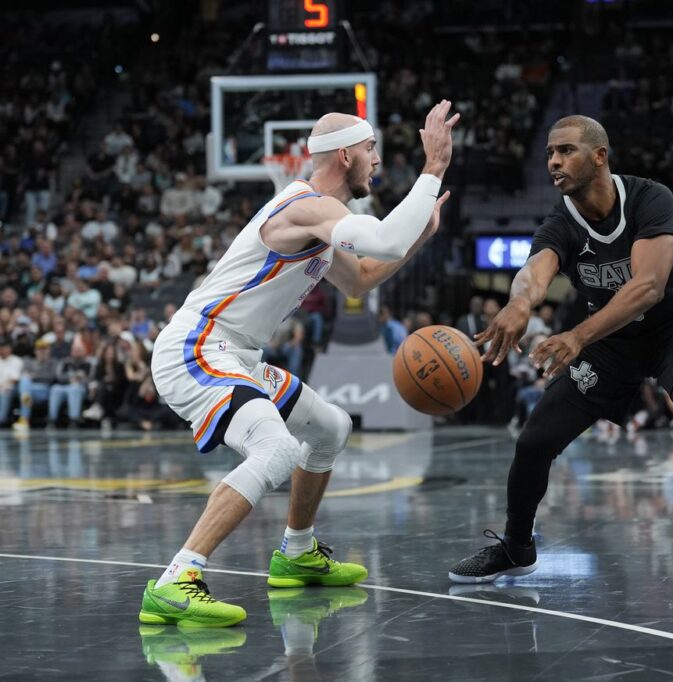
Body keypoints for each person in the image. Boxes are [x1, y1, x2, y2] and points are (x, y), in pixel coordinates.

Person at [449, 116, 673, 603]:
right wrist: (519, 304)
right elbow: (535, 273)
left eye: (566, 151)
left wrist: (577, 335)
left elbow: (647, 287)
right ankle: (517, 548)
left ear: (599, 155)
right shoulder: (561, 220)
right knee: (534, 440)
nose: (554, 161)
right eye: (549, 153)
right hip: (612, 343)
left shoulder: (648, 198)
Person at [142, 101, 459, 627]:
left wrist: (421, 234)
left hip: (235, 353)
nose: (377, 160)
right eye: (370, 149)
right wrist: (433, 168)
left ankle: (296, 552)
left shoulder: (322, 221)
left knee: (331, 427)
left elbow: (359, 278)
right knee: (277, 449)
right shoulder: (304, 207)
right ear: (343, 155)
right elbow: (382, 236)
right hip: (196, 347)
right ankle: (178, 578)